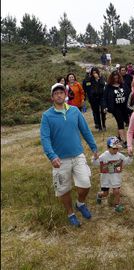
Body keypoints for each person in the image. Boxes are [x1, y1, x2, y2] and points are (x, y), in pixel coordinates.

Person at [40, 83, 99, 227]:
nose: (59, 95)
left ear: (65, 95)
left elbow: (85, 130)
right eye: (56, 93)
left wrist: (94, 147)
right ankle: (70, 213)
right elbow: (45, 138)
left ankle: (80, 203)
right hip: (60, 159)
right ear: (52, 97)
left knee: (85, 184)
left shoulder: (74, 111)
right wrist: (52, 156)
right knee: (63, 189)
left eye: (61, 92)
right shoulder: (47, 116)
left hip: (78, 155)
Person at [92, 136, 133, 213]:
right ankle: (99, 195)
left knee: (116, 191)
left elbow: (127, 162)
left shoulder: (119, 155)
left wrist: (130, 156)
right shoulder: (104, 156)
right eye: (113, 148)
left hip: (115, 178)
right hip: (106, 179)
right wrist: (95, 158)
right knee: (105, 193)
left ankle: (117, 205)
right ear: (108, 147)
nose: (115, 150)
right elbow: (97, 163)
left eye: (117, 148)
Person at [103, 71, 130, 146]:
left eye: (117, 78)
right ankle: (124, 141)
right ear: (112, 78)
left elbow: (128, 93)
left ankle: (119, 136)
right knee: (120, 122)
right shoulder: (108, 86)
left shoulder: (123, 85)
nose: (116, 79)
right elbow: (104, 97)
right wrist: (105, 106)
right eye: (114, 78)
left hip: (124, 106)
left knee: (125, 121)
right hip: (115, 107)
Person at [85, 67, 107, 131]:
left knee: (103, 111)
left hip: (102, 97)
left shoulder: (101, 78)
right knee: (96, 112)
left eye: (95, 72)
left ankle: (104, 125)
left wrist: (98, 79)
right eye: (93, 73)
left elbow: (103, 84)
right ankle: (100, 127)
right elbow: (86, 81)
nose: (95, 74)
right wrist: (87, 73)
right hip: (94, 98)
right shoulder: (90, 79)